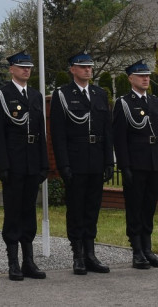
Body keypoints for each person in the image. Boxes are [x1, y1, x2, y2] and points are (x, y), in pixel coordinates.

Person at [50, 52, 114, 275]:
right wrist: (63, 164)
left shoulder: (99, 94)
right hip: (76, 159)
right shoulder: (63, 95)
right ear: (72, 69)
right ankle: (77, 254)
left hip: (96, 158)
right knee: (76, 208)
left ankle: (90, 253)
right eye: (83, 67)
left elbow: (107, 130)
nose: (88, 70)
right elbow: (58, 134)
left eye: (90, 67)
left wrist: (109, 161)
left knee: (92, 208)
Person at [0, 50, 49, 281]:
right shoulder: (2, 95)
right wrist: (2, 165)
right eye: (22, 66)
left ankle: (29, 262)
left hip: (33, 163)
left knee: (29, 213)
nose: (27, 70)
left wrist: (44, 164)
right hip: (14, 164)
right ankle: (13, 262)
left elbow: (40, 133)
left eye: (29, 67)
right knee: (13, 213)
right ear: (11, 69)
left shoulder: (35, 96)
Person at [113, 59, 158, 269]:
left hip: (154, 162)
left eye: (147, 75)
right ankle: (137, 250)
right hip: (136, 164)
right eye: (141, 75)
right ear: (130, 78)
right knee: (135, 208)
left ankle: (148, 248)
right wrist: (125, 166)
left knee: (149, 207)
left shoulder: (155, 102)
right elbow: (119, 138)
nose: (146, 79)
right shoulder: (124, 103)